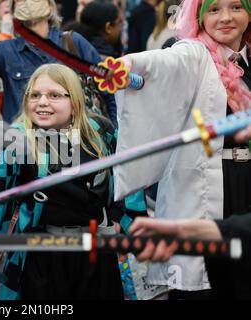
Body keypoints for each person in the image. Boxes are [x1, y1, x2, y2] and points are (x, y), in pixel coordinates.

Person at [114, 0, 251, 299]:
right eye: (214, 10)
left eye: (236, 7)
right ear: (200, 17)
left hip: (248, 186)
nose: (225, 18)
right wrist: (128, 65)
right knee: (209, 281)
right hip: (212, 184)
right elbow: (163, 64)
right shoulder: (193, 53)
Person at [0, 63, 142, 300]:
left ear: (74, 102)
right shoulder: (18, 139)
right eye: (35, 95)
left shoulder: (99, 131)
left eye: (54, 95)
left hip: (96, 253)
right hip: (42, 256)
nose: (42, 102)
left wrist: (120, 219)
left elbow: (127, 177)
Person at [0, 0, 117, 123]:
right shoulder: (5, 51)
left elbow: (107, 90)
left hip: (72, 149)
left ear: (49, 5)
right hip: (24, 152)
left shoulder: (73, 43)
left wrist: (113, 137)